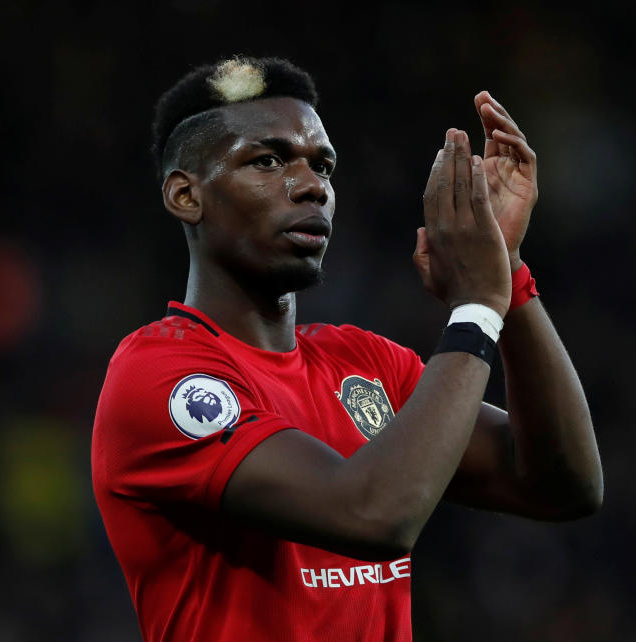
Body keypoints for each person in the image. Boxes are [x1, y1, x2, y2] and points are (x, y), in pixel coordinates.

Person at [91, 56, 603, 642]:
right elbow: (371, 514)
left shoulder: (365, 364)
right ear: (186, 196)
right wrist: (476, 309)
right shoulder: (159, 375)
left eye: (324, 167)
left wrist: (507, 277)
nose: (311, 186)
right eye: (268, 161)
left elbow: (563, 486)